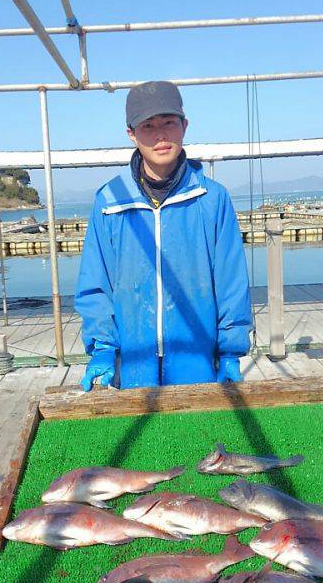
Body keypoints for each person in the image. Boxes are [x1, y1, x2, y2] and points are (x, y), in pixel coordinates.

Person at [75, 80, 252, 391]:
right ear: (131, 133)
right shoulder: (109, 200)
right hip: (132, 360)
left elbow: (231, 282)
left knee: (198, 422)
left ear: (184, 126)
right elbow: (95, 283)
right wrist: (103, 348)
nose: (160, 135)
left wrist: (230, 351)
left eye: (168, 122)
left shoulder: (212, 198)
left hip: (197, 358)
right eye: (148, 126)